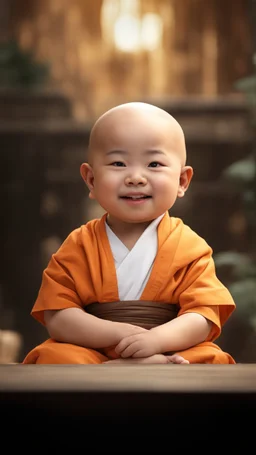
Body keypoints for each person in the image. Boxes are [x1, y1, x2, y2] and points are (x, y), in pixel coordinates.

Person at [22, 102, 236, 365]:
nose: (136, 177)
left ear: (182, 181)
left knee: (210, 358)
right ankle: (136, 368)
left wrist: (156, 340)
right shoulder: (79, 244)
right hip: (94, 349)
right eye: (119, 163)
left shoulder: (190, 246)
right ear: (91, 179)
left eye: (154, 164)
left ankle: (152, 363)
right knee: (54, 356)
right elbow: (58, 315)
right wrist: (118, 334)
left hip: (167, 346)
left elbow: (203, 316)